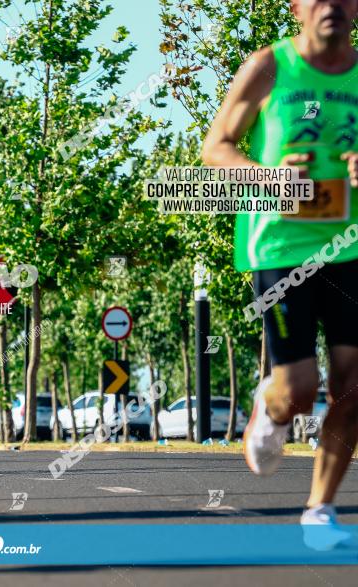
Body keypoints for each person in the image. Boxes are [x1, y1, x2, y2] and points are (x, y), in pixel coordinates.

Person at [202, 0, 358, 549]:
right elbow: (215, 147)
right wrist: (266, 174)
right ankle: (273, 401)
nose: (332, 6)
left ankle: (319, 512)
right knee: (300, 388)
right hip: (281, 246)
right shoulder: (269, 66)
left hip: (351, 246)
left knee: (352, 383)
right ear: (296, 7)